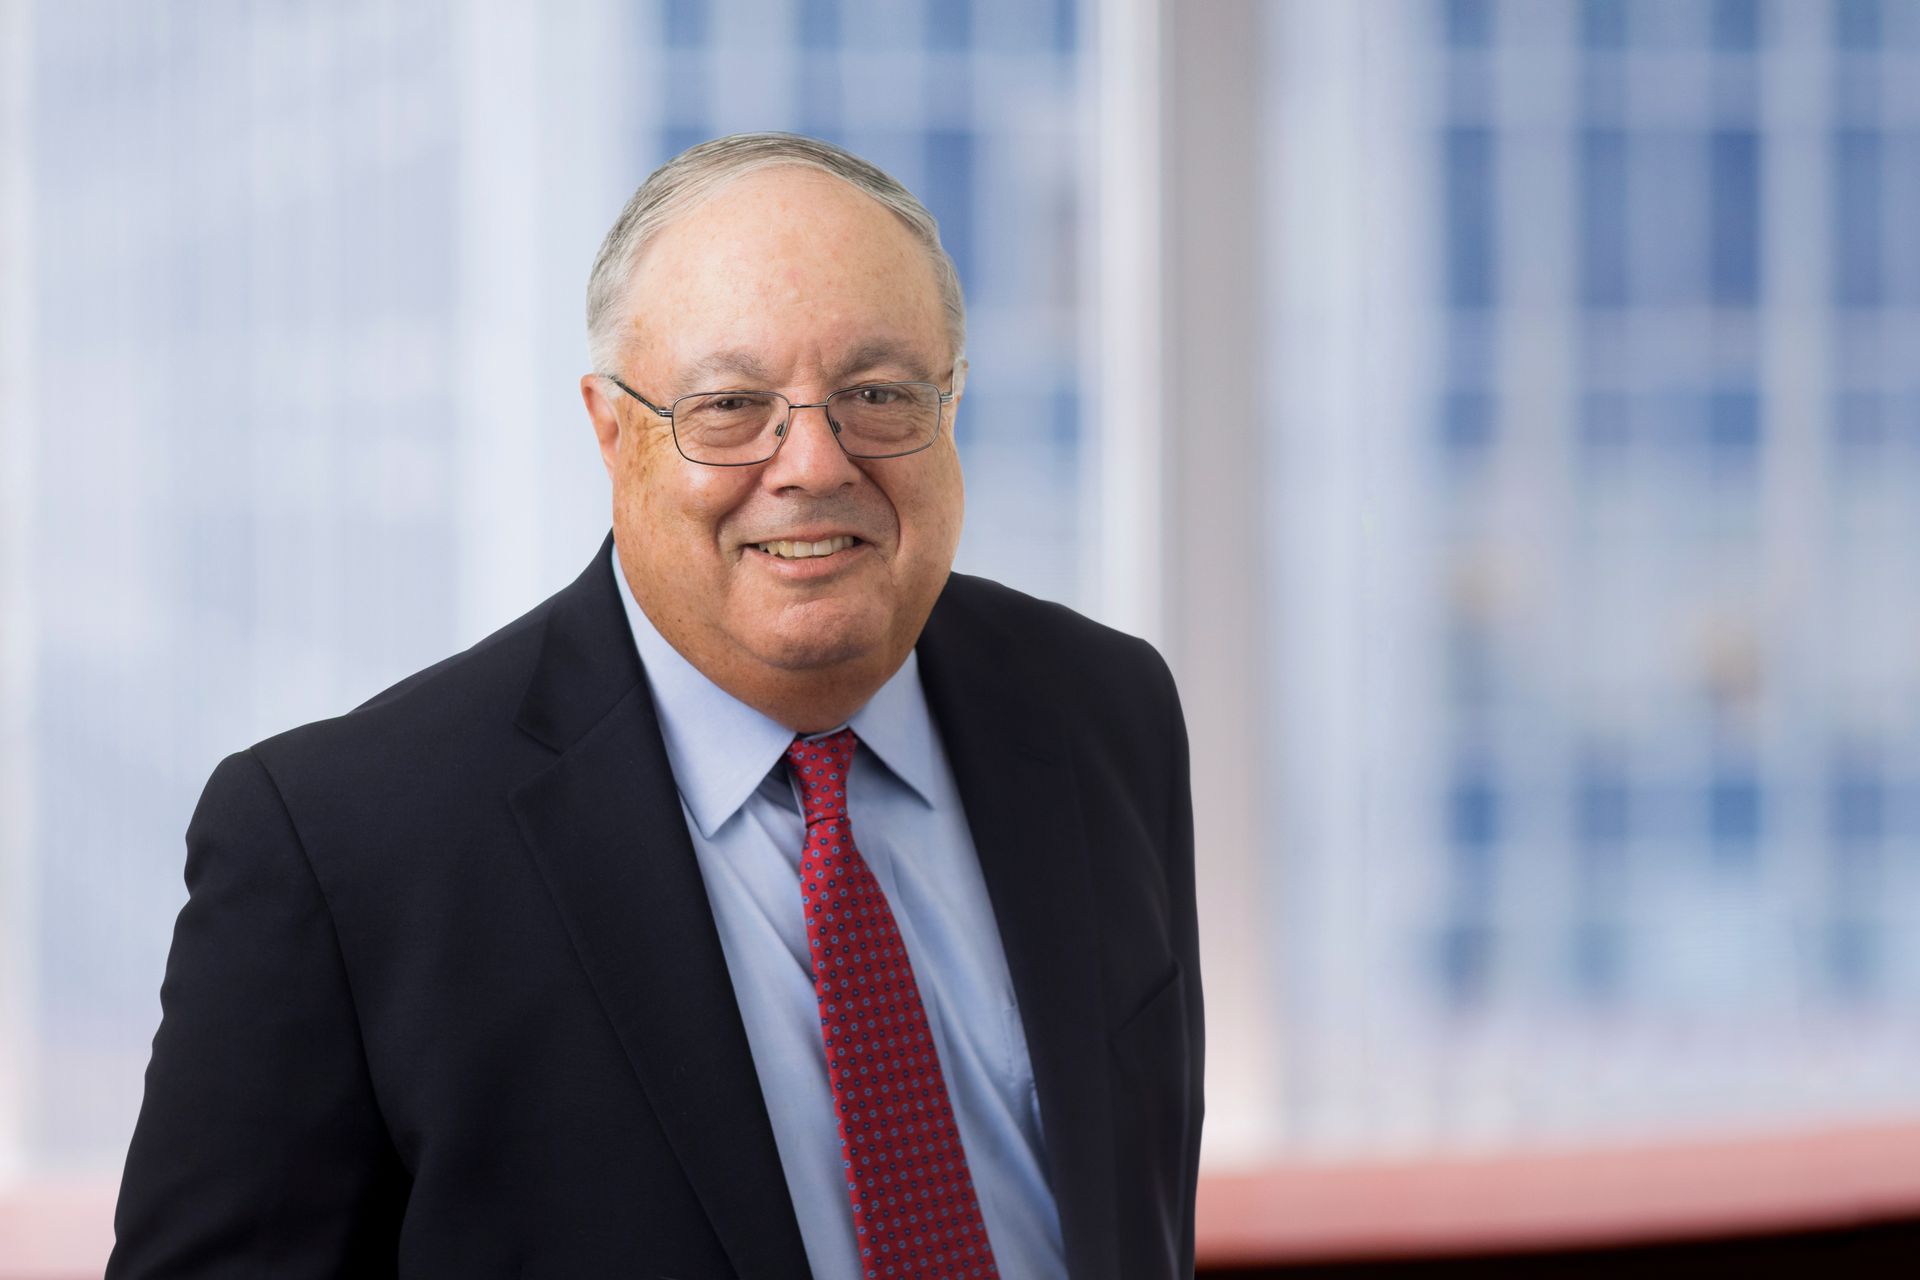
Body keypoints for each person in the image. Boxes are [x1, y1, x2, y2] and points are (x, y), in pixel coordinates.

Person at [108, 132, 1202, 1280]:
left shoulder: (1104, 710)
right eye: (730, 405)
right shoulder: (343, 847)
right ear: (611, 428)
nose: (814, 462)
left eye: (878, 395)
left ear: (952, 403)